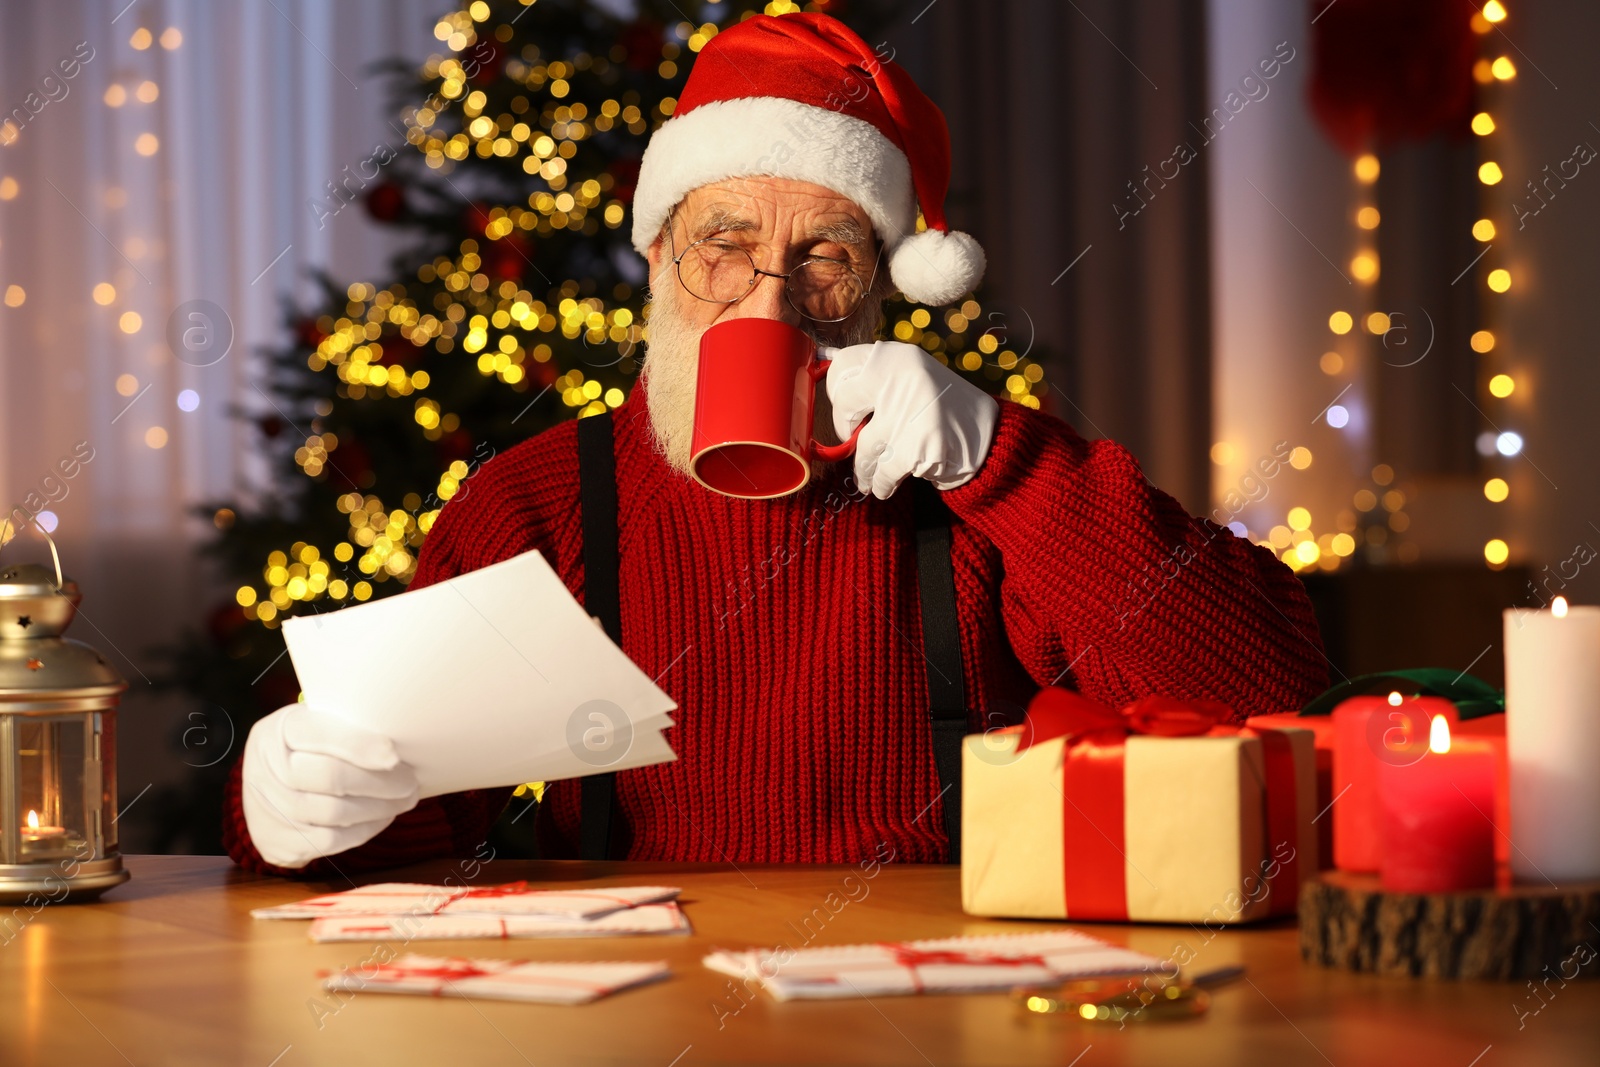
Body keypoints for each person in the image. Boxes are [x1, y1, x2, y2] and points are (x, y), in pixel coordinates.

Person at [225, 12, 1328, 875]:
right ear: (657, 261)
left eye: (826, 256)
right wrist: (286, 802)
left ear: (881, 294)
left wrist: (1003, 458)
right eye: (726, 244)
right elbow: (396, 822)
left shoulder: (983, 494)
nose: (771, 300)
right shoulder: (540, 503)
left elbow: (1273, 691)